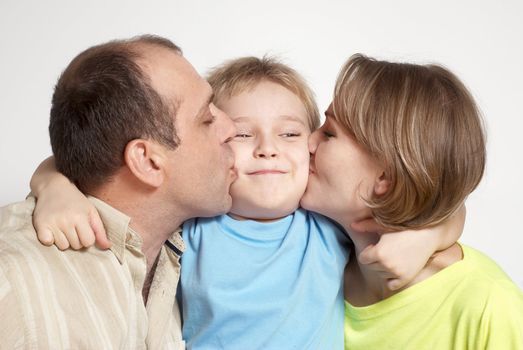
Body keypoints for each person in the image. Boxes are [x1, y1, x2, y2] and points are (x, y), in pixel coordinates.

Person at [29, 56, 464, 349]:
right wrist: (53, 184)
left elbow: (437, 199)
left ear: (312, 149)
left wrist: (426, 236)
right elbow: (103, 169)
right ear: (215, 143)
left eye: (290, 133)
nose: (267, 149)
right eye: (241, 133)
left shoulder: (325, 225)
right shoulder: (192, 224)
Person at [0, 34, 237, 349]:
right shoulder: (14, 284)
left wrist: (50, 178)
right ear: (148, 162)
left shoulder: (188, 254)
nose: (231, 128)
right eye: (207, 119)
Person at [300, 54, 523, 349]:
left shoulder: (488, 307)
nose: (307, 143)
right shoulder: (311, 259)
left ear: (386, 176)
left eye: (329, 133)